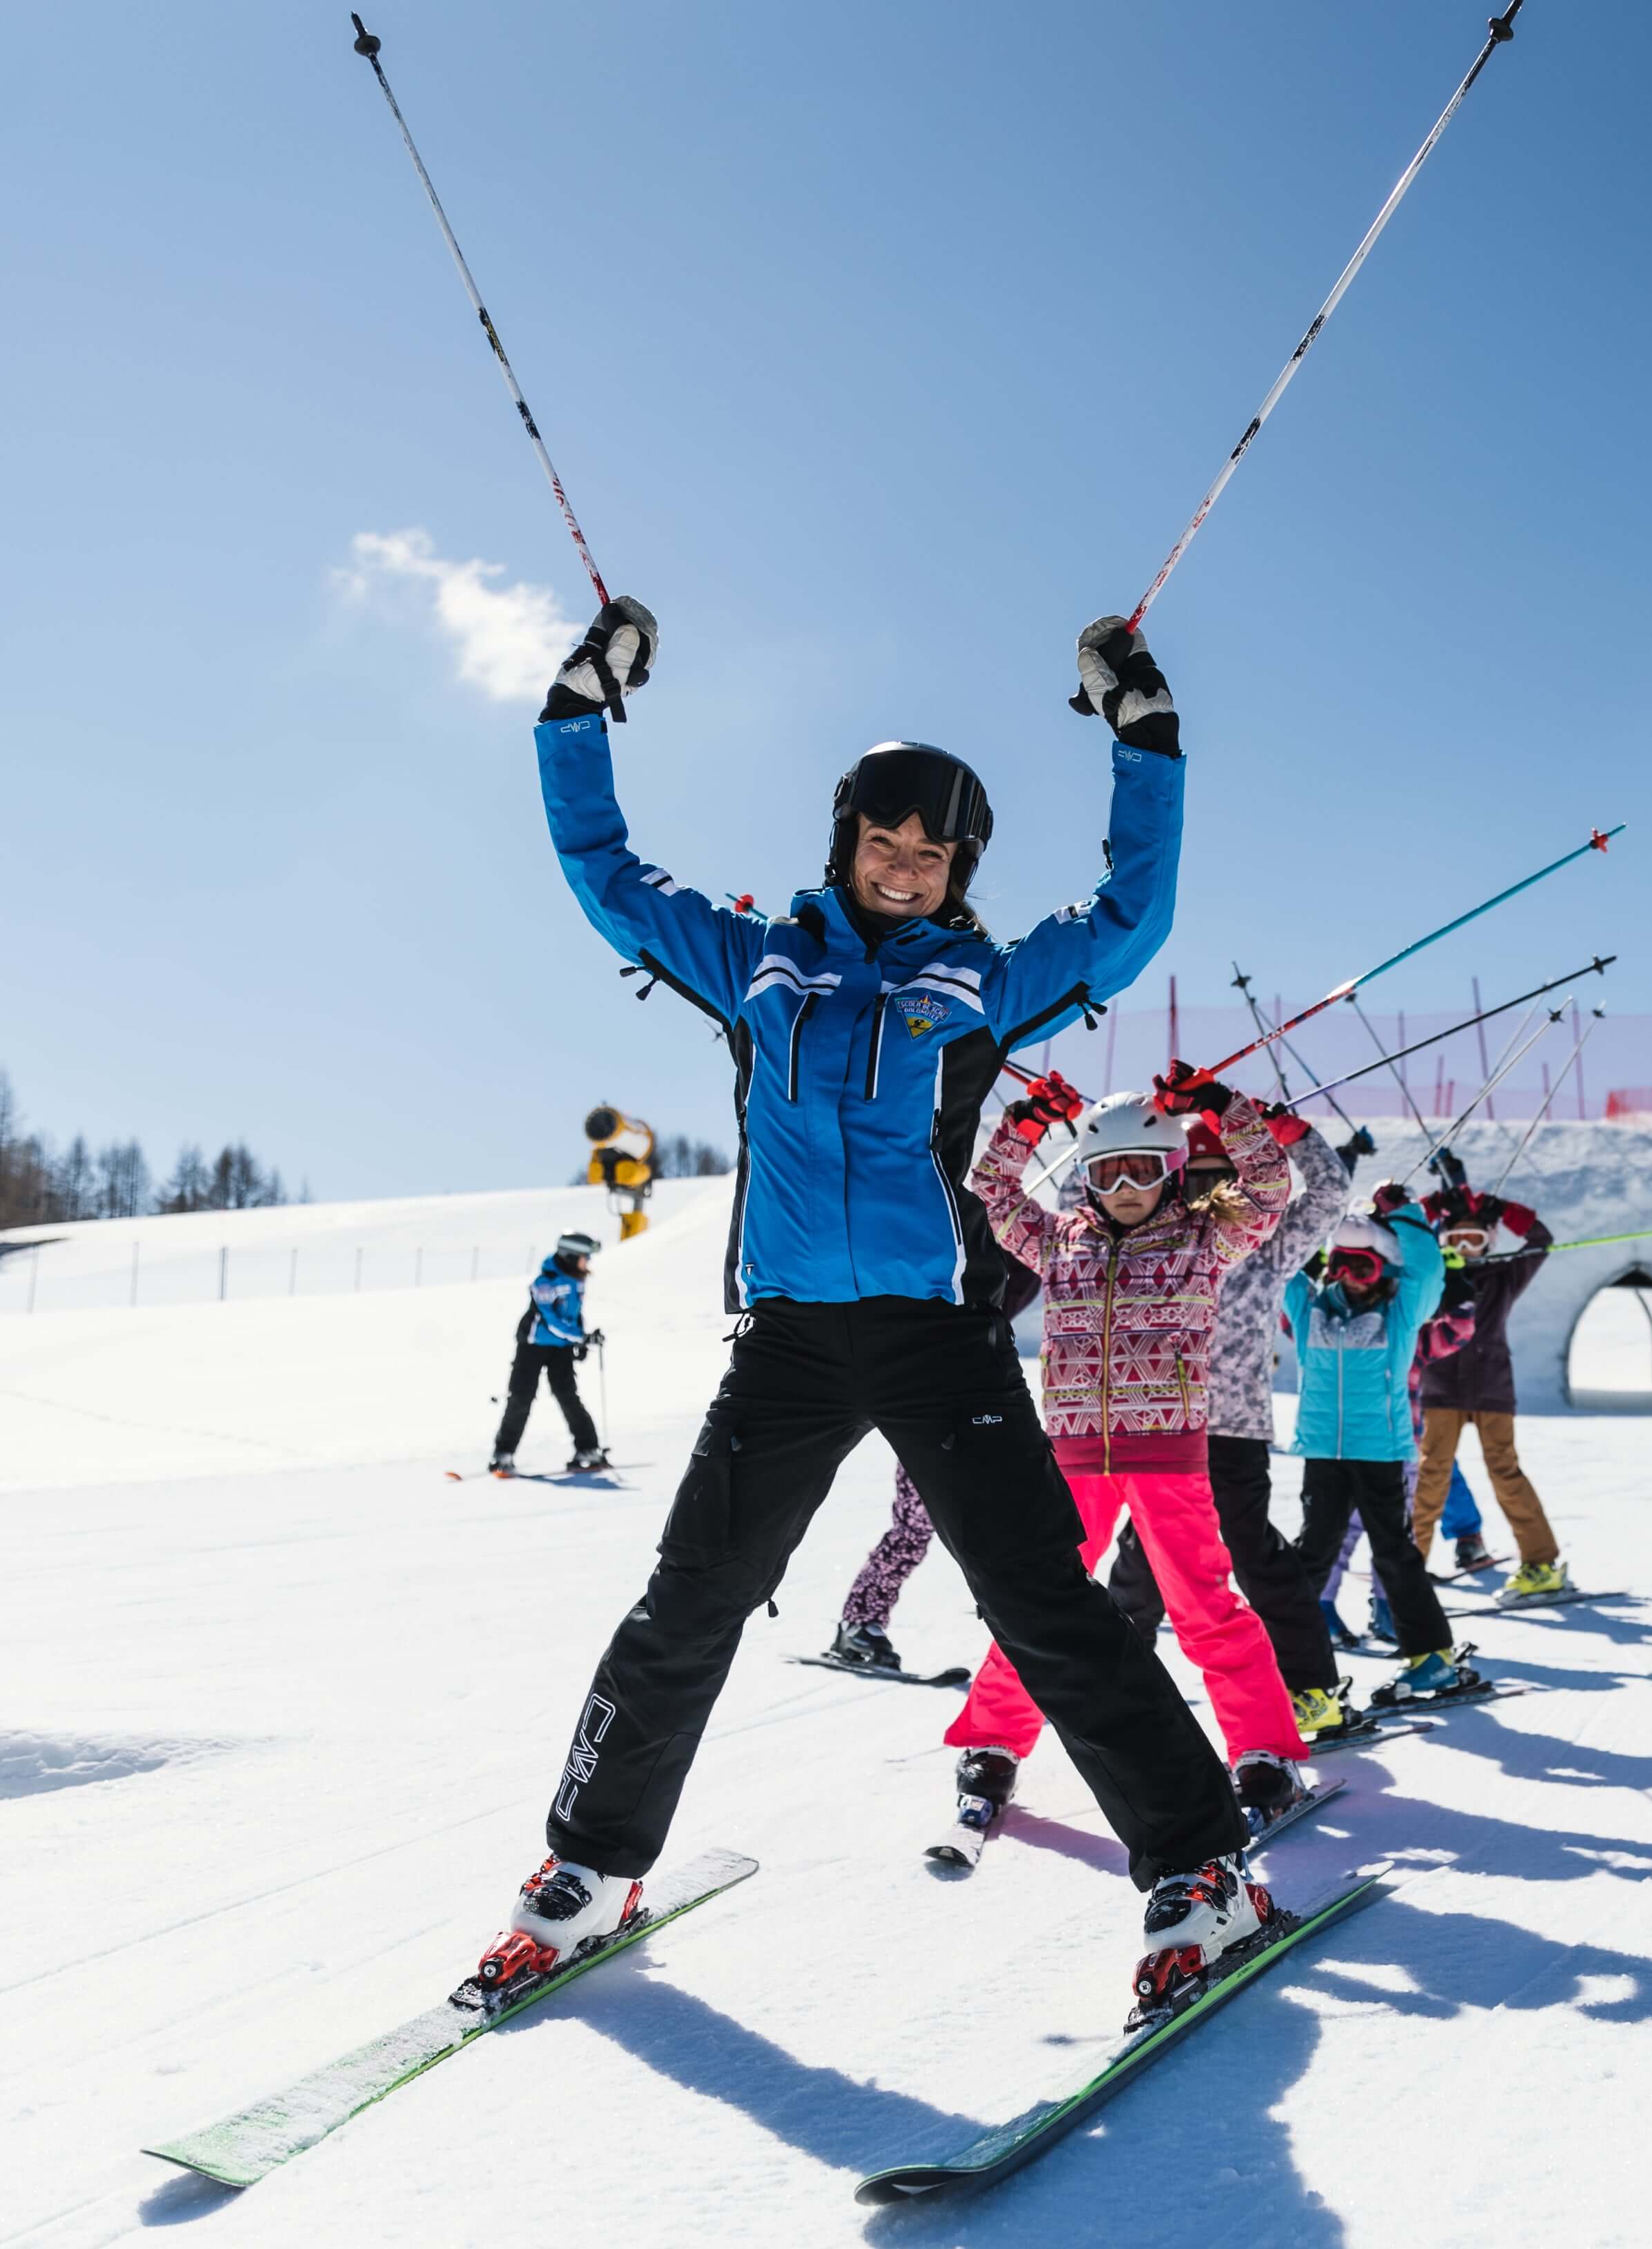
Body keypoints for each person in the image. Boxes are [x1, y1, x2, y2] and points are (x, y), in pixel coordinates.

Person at [483, 595, 1273, 2032]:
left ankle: (1203, 1868)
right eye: (885, 844)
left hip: (933, 1333)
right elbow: (604, 872)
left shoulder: (975, 984)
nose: (907, 871)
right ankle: (591, 1872)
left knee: (1041, 1601)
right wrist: (576, 708)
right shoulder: (758, 962)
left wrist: (1143, 736)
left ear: (959, 864)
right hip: (788, 1340)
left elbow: (1127, 917)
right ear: (844, 839)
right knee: (690, 1601)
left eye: (934, 853)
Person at [945, 1074, 1309, 1841]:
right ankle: (993, 1740)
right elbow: (990, 1187)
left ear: (1171, 1168)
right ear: (1085, 1176)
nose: (1125, 1187)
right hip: (1072, 1460)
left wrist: (1220, 1108)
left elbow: (1272, 1184)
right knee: (1039, 1604)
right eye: (1107, 1172)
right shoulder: (1060, 1241)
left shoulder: (1204, 1238)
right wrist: (1029, 1121)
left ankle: (1265, 1752)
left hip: (1169, 1457)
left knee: (1205, 1607)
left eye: (1141, 1168)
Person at [1099, 1117, 1355, 1734]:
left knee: (1251, 1556)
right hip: (1159, 1429)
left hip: (1229, 1431)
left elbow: (1327, 1193)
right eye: (1196, 1181)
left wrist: (1279, 1130)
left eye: (1226, 1180)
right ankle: (1110, 1690)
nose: (1211, 1197)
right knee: (1142, 1566)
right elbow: (1082, 1211)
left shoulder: (1266, 1247)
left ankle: (1312, 1691)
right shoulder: (1149, 1240)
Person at [824, 1256, 1042, 1675]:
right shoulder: (928, 1257)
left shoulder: (1001, 1274)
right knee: (916, 1529)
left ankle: (1026, 1640)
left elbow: (1023, 1276)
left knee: (997, 1534)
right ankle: (859, 1624)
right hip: (926, 1412)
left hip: (979, 1412)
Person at [1286, 1211, 1471, 1705]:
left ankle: (1432, 1658)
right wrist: (1308, 1213)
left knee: (1395, 1554)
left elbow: (1429, 1271)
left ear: (1385, 1270)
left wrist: (1405, 1215)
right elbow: (1277, 1265)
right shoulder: (1310, 1310)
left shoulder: (1402, 1313)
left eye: (1361, 1267)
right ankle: (1296, 1672)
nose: (1348, 1277)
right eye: (1339, 1264)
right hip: (1323, 1452)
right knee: (1313, 1556)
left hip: (1381, 1453)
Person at [1410, 1170, 1571, 1599]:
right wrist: (1429, 1207)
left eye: (1475, 1239)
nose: (1465, 1248)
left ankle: (1541, 1562)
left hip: (1492, 1389)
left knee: (1504, 1470)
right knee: (1431, 1475)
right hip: (1441, 1387)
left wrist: (1502, 1210)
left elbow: (1540, 1240)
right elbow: (1401, 1240)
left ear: (1490, 1241)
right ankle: (1408, 1567)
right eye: (1456, 1238)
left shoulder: (1504, 1276)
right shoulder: (1432, 1276)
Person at [489, 1233, 609, 1474]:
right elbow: (551, 1320)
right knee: (522, 1397)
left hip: (561, 1347)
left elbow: (573, 1315)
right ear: (570, 1256)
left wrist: (581, 1341)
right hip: (533, 1345)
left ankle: (588, 1449)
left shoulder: (578, 1280)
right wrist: (579, 1337)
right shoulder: (545, 1282)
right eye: (585, 1257)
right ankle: (503, 1453)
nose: (587, 1262)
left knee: (567, 1395)